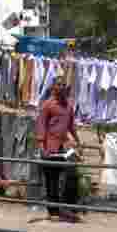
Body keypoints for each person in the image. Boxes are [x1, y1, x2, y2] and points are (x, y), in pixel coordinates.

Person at [35, 79, 82, 222]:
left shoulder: (68, 106)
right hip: (50, 147)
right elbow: (41, 126)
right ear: (53, 87)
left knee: (66, 177)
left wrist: (77, 141)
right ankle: (53, 210)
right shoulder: (47, 105)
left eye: (63, 85)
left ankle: (62, 207)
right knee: (52, 179)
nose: (61, 87)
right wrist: (42, 147)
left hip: (64, 147)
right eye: (59, 85)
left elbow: (71, 126)